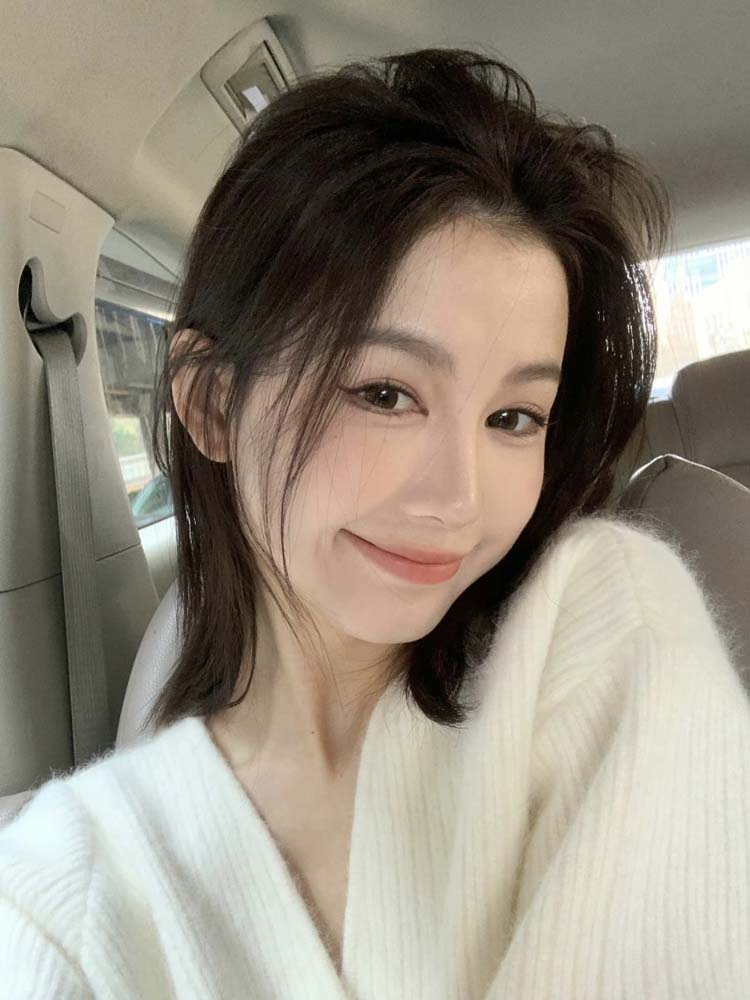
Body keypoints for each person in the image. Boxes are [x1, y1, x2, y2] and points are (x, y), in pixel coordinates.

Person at [2, 46, 749, 999]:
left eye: (513, 417)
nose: (458, 499)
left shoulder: (606, 627)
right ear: (213, 404)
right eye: (386, 393)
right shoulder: (64, 887)